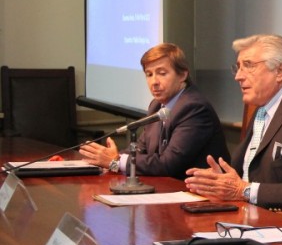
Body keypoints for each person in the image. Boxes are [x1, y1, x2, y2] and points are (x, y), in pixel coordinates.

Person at [184, 34, 282, 211]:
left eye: (248, 66)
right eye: (238, 67)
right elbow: (250, 175)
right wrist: (218, 181)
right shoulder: (261, 111)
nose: (238, 76)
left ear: (279, 72)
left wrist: (244, 191)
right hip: (248, 216)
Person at [79, 43, 230, 180]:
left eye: (162, 73)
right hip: (170, 190)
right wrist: (106, 159)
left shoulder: (194, 108)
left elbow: (169, 164)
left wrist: (116, 161)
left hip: (202, 196)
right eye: (149, 74)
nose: (154, 82)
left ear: (183, 75)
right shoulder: (157, 106)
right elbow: (141, 148)